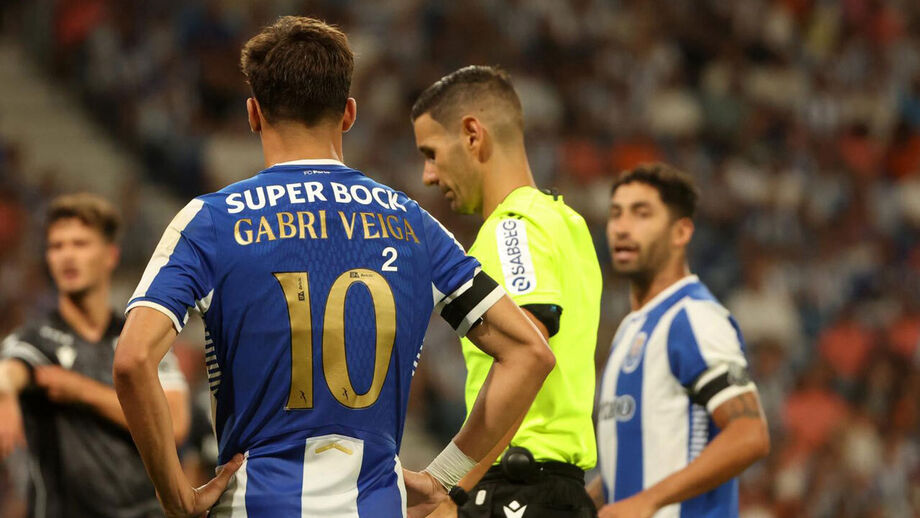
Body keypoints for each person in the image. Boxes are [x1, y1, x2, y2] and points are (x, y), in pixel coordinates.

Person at [112, 16, 554, 518]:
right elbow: (529, 352)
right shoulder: (415, 225)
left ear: (254, 114)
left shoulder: (210, 222)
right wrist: (446, 478)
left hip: (256, 505)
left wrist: (176, 495)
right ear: (348, 113)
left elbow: (131, 360)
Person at [411, 65, 602, 518]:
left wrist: (448, 485)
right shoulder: (567, 223)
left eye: (431, 153)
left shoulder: (511, 229)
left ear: (472, 135)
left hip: (518, 492)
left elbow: (528, 357)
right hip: (557, 492)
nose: (428, 175)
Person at [589, 164, 770, 518]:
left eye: (642, 214)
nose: (622, 227)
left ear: (681, 232)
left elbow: (750, 433)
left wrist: (649, 501)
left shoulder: (693, 317)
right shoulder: (629, 330)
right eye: (616, 214)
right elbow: (628, 472)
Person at [0, 193, 189, 518]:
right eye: (57, 246)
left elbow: (174, 425)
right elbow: (11, 368)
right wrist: (5, 391)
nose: (66, 256)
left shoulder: (138, 340)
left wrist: (76, 389)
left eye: (80, 244)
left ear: (110, 256)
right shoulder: (35, 339)